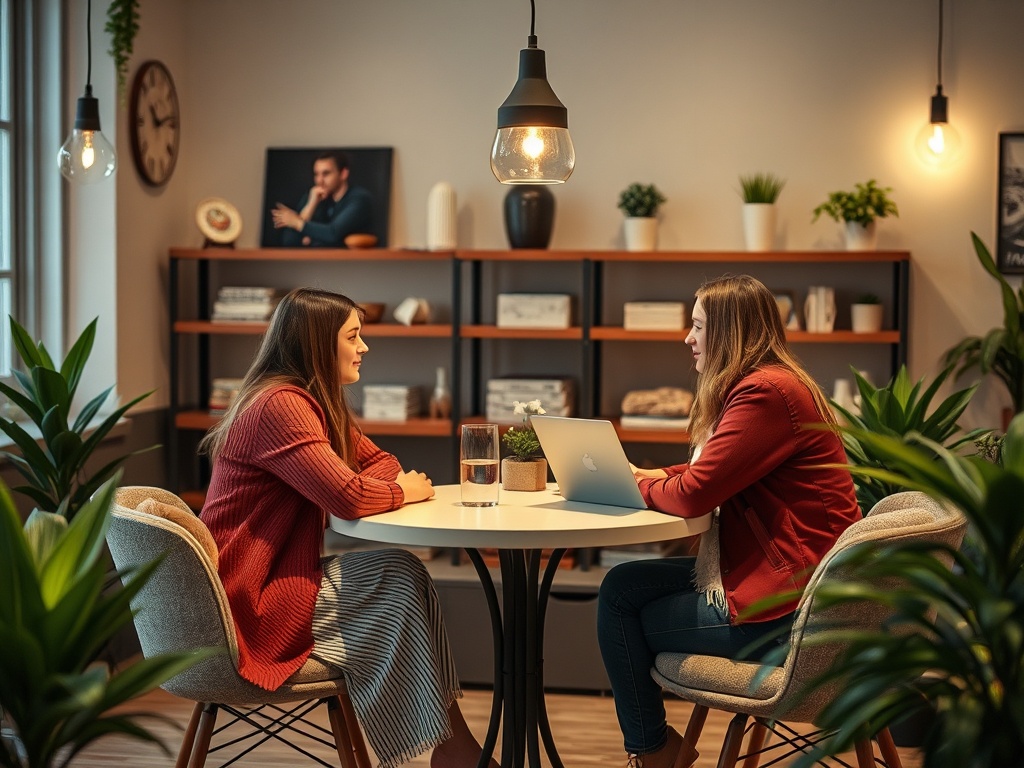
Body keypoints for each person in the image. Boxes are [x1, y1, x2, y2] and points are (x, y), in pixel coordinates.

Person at [199, 287, 494, 768]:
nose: (364, 348)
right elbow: (349, 498)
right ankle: (453, 752)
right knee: (398, 574)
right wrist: (405, 491)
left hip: (273, 581)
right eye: (353, 336)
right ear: (317, 343)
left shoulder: (310, 402)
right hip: (247, 601)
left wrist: (370, 481)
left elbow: (380, 462)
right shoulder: (281, 407)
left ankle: (452, 751)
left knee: (403, 573)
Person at [597, 274, 860, 768]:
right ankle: (656, 748)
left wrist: (632, 484)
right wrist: (655, 476)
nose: (687, 338)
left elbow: (696, 494)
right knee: (622, 584)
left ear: (728, 332)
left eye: (697, 326)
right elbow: (717, 469)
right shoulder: (775, 384)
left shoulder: (765, 394)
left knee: (620, 614)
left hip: (791, 609)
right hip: (794, 582)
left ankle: (651, 753)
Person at [271, 151, 373, 247]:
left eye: (326, 174)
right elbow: (289, 241)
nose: (320, 180)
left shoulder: (359, 198)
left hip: (350, 264)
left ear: (343, 174)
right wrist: (311, 205)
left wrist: (297, 223)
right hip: (314, 263)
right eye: (316, 174)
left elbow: (333, 233)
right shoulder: (314, 196)